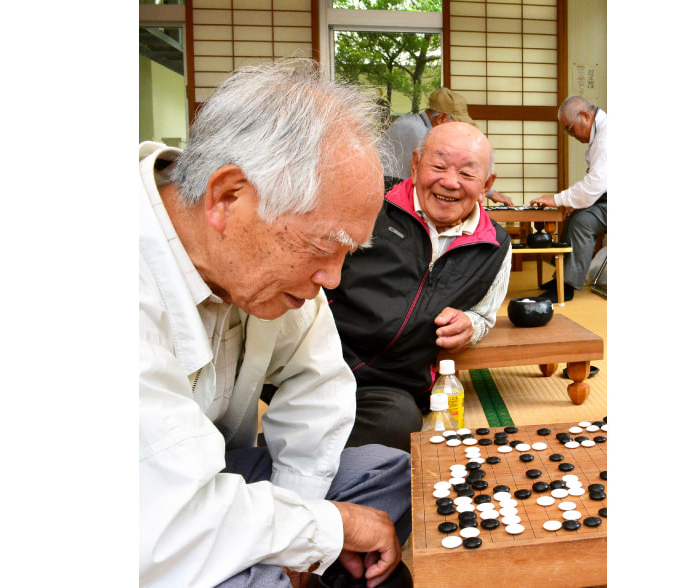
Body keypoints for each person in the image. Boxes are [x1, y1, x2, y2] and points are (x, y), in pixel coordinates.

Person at [139, 59, 412, 588]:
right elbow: (160, 522)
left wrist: (304, 538)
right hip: (140, 516)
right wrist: (323, 531)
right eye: (323, 247)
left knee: (386, 471)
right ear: (228, 197)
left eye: (347, 254)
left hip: (212, 480)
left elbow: (319, 384)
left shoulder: (262, 260)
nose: (333, 279)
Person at [327, 121, 513, 452]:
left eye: (467, 175)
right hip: (321, 359)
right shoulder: (372, 200)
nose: (450, 182)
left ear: (487, 184)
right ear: (415, 165)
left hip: (391, 385)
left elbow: (484, 315)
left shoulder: (495, 245)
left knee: (400, 424)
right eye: (438, 166)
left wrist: (470, 324)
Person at [529, 96, 607, 303]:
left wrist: (557, 199)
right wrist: (572, 202)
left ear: (585, 116)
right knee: (573, 216)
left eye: (570, 129)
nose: (570, 135)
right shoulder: (601, 132)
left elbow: (596, 184)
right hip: (606, 197)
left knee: (583, 222)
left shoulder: (607, 135)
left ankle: (567, 286)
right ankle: (561, 279)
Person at [381, 87, 515, 206]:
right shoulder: (416, 131)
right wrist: (489, 192)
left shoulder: (413, 124)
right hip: (385, 194)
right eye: (455, 123)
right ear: (442, 118)